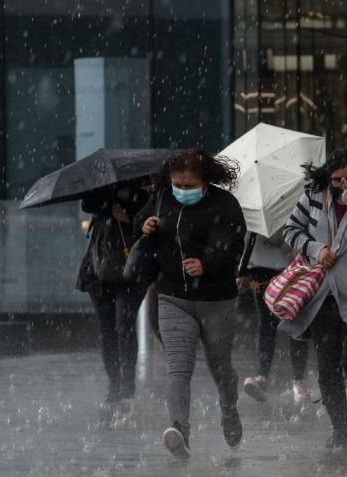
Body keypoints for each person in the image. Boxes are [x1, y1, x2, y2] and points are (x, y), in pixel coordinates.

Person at [135, 149, 246, 459]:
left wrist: (207, 264)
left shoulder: (225, 204)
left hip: (216, 300)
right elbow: (139, 222)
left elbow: (236, 246)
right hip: (173, 297)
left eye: (190, 184)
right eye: (178, 184)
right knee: (178, 368)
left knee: (220, 366)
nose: (183, 190)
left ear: (205, 180)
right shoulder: (160, 197)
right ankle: (180, 431)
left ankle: (229, 410)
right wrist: (144, 225)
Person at [280, 148, 347, 450]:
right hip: (321, 294)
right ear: (326, 178)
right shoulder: (314, 197)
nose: (343, 185)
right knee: (327, 366)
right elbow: (290, 230)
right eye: (337, 180)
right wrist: (315, 249)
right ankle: (340, 427)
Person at [77, 180, 149, 419]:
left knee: (124, 326)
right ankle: (114, 386)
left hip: (129, 271)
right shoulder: (99, 191)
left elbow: (151, 226)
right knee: (107, 330)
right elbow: (87, 205)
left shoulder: (141, 192)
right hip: (99, 270)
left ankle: (127, 388)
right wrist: (106, 198)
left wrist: (128, 216)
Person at [236, 231, 310, 402]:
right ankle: (263, 375)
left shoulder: (296, 207)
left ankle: (298, 379)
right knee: (266, 321)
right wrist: (242, 269)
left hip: (290, 267)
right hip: (261, 268)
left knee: (293, 319)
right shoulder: (257, 210)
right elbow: (250, 235)